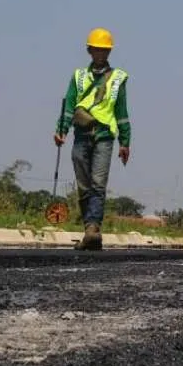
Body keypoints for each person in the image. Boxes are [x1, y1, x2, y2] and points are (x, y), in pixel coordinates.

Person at [54, 28, 131, 251]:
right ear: (89, 51)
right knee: (83, 185)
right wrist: (61, 130)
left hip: (105, 137)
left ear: (109, 53)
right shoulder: (79, 76)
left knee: (98, 184)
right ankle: (89, 227)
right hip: (81, 136)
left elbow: (122, 112)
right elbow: (69, 105)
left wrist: (125, 142)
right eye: (97, 50)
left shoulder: (117, 79)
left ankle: (93, 229)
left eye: (104, 51)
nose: (100, 54)